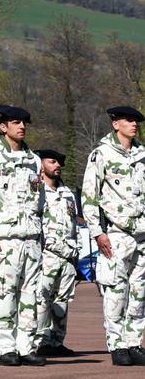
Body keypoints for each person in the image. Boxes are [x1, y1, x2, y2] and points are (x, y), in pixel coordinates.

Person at [0, 104, 45, 366]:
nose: (22, 127)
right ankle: (5, 347)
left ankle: (26, 346)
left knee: (30, 295)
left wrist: (40, 234)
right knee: (4, 294)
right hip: (4, 238)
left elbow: (40, 201)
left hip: (31, 238)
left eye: (24, 123)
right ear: (3, 127)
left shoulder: (34, 160)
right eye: (15, 123)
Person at [83, 104, 145, 367]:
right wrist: (97, 233)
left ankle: (134, 343)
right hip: (116, 233)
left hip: (142, 234)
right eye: (128, 120)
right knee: (116, 291)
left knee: (139, 293)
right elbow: (89, 196)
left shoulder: (142, 155)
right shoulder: (102, 154)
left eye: (136, 121)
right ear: (115, 124)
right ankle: (117, 344)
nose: (134, 124)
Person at [32, 149, 78, 358]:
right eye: (52, 162)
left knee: (62, 300)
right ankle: (41, 341)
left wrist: (75, 251)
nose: (57, 166)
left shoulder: (67, 192)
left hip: (67, 255)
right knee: (42, 299)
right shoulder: (36, 190)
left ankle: (57, 341)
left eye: (59, 163)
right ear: (41, 165)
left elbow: (73, 224)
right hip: (47, 254)